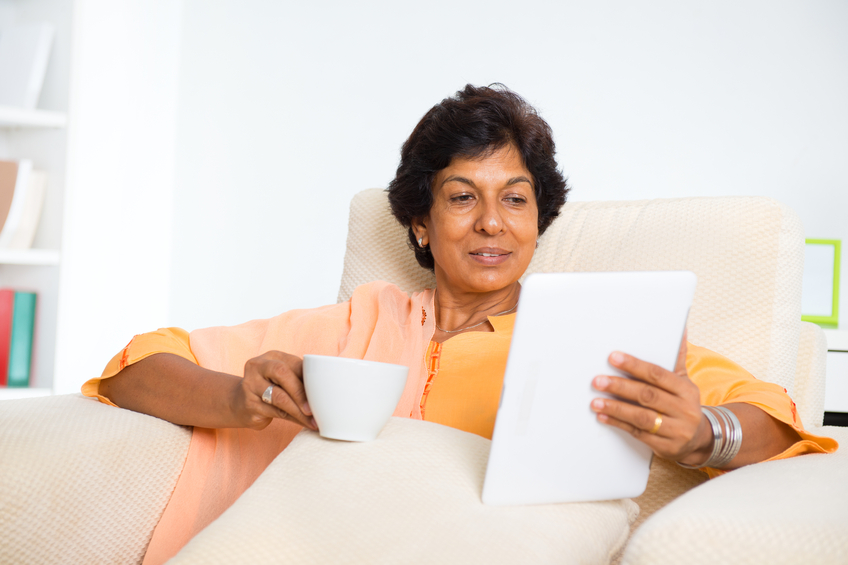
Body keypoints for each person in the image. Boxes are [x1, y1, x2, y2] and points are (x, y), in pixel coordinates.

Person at [83, 84, 837, 564]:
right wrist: (240, 399)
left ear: (539, 221)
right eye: (461, 196)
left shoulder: (588, 331)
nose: (492, 224)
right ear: (419, 221)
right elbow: (135, 365)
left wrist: (708, 432)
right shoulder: (359, 322)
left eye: (515, 198)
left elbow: (780, 418)